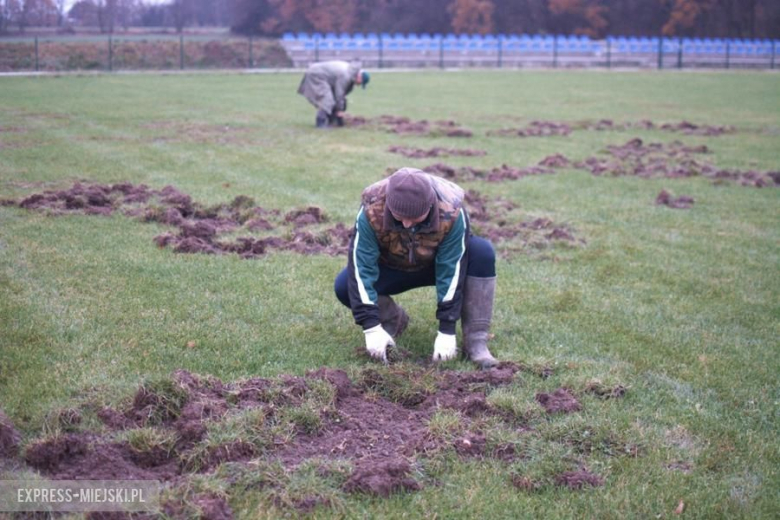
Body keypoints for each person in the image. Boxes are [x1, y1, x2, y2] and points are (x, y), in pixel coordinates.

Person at [334, 167, 499, 368]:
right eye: (399, 216)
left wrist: (447, 330)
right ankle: (393, 320)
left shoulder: (452, 212)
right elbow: (361, 268)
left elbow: (452, 269)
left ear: (429, 206)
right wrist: (370, 326)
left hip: (434, 265)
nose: (406, 223)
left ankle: (476, 342)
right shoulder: (371, 211)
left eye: (415, 217)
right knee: (344, 286)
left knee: (482, 251)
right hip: (391, 266)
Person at [297, 60, 370, 128]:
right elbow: (339, 94)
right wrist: (340, 110)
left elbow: (341, 95)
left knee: (334, 99)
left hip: (323, 76)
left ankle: (332, 120)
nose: (359, 85)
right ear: (359, 77)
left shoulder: (351, 74)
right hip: (316, 74)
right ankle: (320, 122)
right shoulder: (346, 75)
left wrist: (340, 109)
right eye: (360, 83)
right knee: (327, 99)